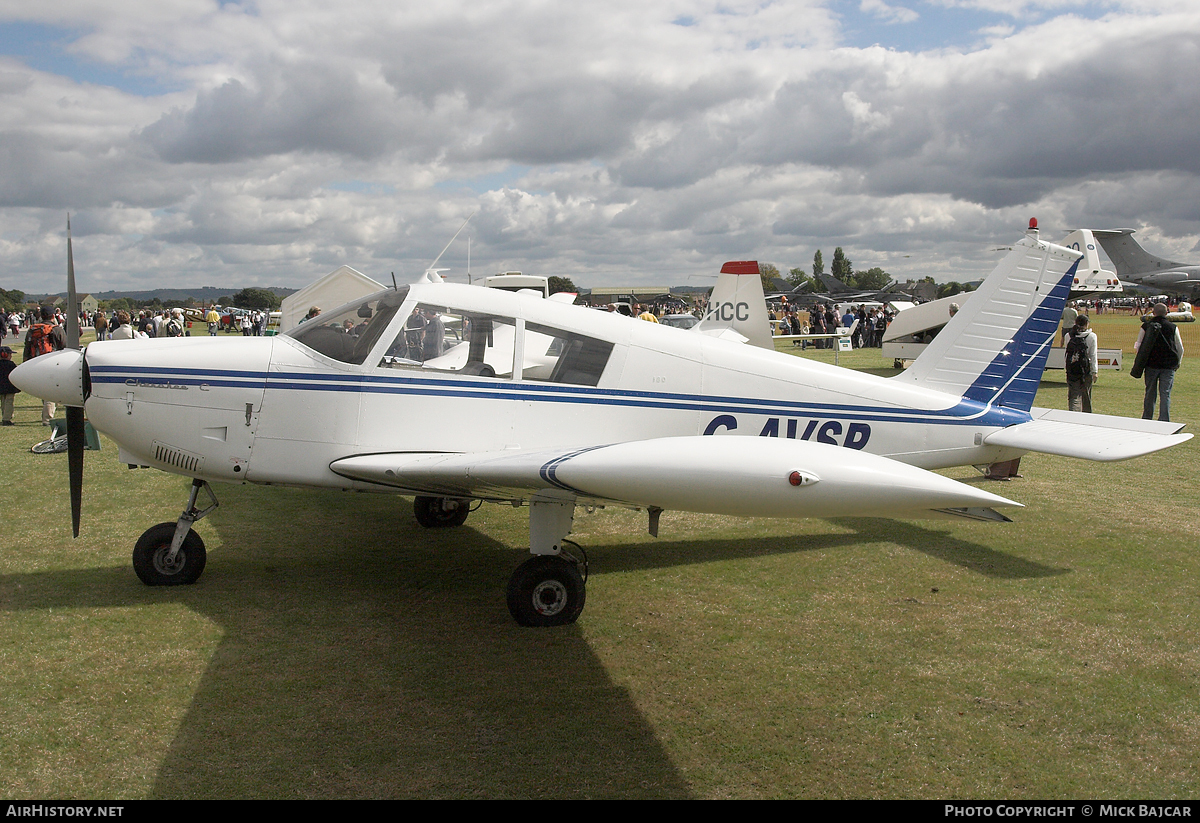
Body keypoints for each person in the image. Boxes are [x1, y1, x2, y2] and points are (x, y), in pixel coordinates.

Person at [1131, 302, 1184, 422]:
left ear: (1153, 312)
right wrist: (1177, 363)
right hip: (1168, 366)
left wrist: (1140, 361)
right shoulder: (1173, 327)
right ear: (1167, 312)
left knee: (1150, 392)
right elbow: (1180, 347)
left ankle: (1147, 418)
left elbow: (1138, 345)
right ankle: (1164, 419)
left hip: (1151, 365)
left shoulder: (1146, 326)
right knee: (1165, 394)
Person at [23, 305, 66, 424]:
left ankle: (47, 413)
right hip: (53, 363)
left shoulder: (32, 329)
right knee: (50, 391)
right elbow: (65, 346)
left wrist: (25, 363)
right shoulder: (57, 329)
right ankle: (47, 419)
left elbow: (27, 347)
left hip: (35, 362)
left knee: (43, 389)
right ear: (53, 316)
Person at [1063, 314, 1098, 413]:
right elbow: (1093, 354)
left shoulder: (1068, 336)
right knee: (1086, 395)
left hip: (1072, 369)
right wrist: (1094, 371)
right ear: (1087, 324)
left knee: (1073, 395)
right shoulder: (1091, 336)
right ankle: (1086, 416)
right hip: (1086, 370)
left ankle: (1073, 414)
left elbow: (1067, 352)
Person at [0, 346, 18, 426]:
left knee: (3, 402)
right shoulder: (11, 364)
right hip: (9, 387)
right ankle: (6, 419)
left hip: (1, 387)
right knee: (9, 402)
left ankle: (5, 416)